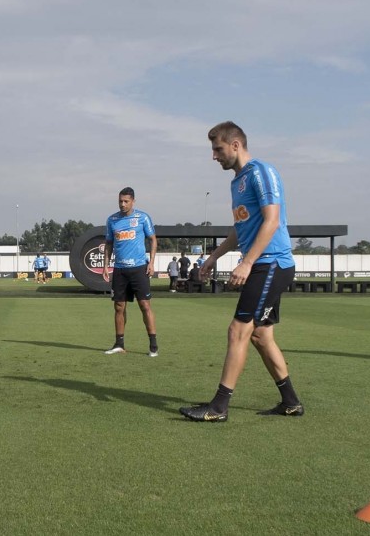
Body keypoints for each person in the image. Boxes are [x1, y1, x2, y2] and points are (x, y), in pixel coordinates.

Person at [180, 121, 303, 422]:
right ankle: (291, 402)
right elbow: (240, 230)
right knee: (260, 335)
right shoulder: (237, 183)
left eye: (217, 149)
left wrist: (247, 263)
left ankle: (218, 408)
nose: (214, 156)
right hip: (263, 263)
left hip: (270, 263)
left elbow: (271, 222)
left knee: (238, 330)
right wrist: (214, 258)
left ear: (235, 145)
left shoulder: (262, 172)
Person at [101, 187, 159, 357]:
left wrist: (152, 263)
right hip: (119, 270)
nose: (122, 204)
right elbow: (109, 244)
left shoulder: (142, 217)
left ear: (133, 201)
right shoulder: (112, 220)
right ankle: (119, 344)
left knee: (145, 306)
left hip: (139, 268)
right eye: (120, 201)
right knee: (119, 306)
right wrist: (106, 265)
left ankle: (153, 345)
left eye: (126, 201)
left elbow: (153, 240)